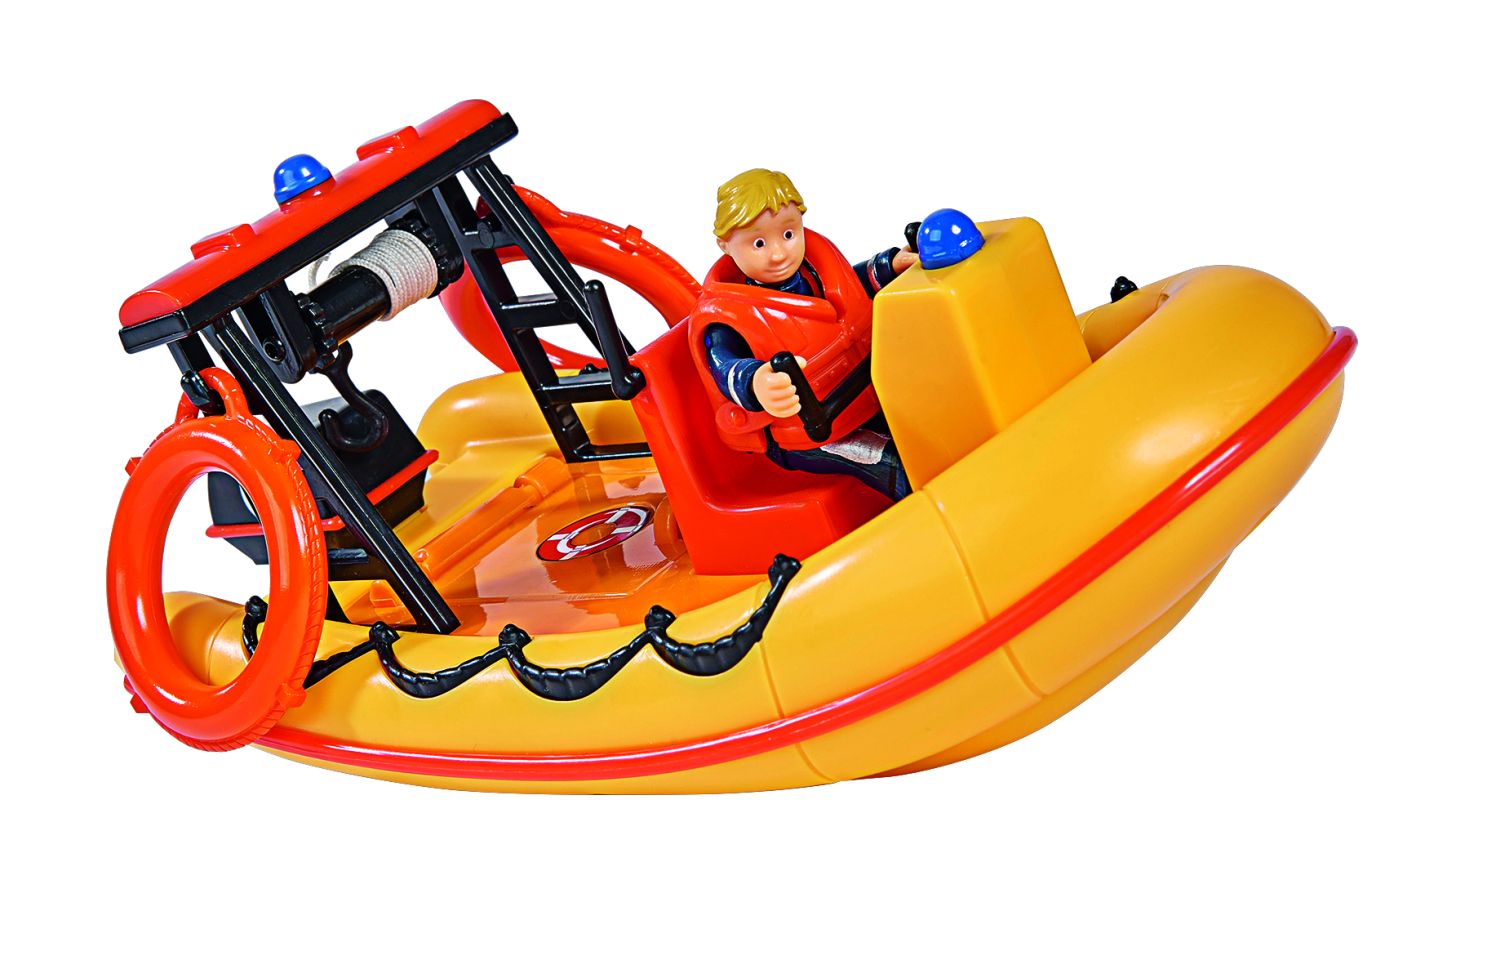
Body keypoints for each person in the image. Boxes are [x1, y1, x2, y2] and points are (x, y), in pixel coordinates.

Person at [700, 168, 915, 499]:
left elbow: (850, 286)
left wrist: (889, 265)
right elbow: (723, 362)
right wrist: (757, 383)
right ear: (725, 246)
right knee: (892, 461)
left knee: (930, 416)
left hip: (865, 391)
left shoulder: (815, 269)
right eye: (759, 243)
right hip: (810, 434)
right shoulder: (727, 314)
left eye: (788, 234)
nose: (778, 254)